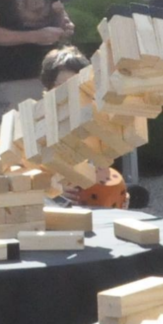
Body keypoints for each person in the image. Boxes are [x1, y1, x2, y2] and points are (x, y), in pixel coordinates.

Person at [38, 46, 131, 209]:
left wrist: (118, 195)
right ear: (49, 89)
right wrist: (51, 191)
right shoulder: (37, 127)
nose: (73, 94)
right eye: (64, 87)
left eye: (79, 86)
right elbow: (19, 178)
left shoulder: (99, 124)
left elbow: (109, 175)